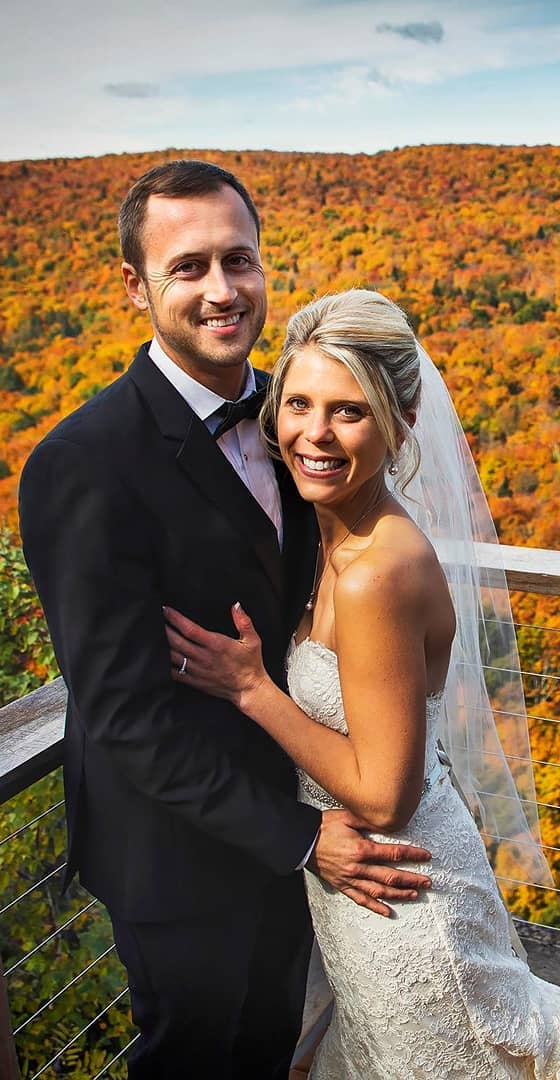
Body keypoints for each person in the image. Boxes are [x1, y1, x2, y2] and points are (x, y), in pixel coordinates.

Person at [164, 288, 560, 1079]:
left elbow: (383, 797)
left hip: (403, 905)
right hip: (362, 892)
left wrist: (254, 690)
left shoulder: (377, 574)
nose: (314, 433)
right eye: (298, 403)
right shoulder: (332, 537)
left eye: (349, 412)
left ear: (399, 424)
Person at [17, 162, 433, 1080]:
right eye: (188, 266)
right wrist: (301, 838)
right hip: (183, 860)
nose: (221, 289)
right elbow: (123, 716)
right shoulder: (83, 465)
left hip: (309, 820)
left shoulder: (299, 416)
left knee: (270, 1050)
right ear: (135, 286)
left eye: (238, 260)